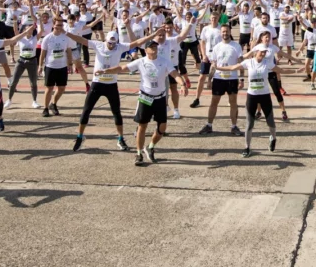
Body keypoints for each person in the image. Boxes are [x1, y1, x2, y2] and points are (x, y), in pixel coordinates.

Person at [96, 33, 184, 165]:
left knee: (162, 128)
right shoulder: (141, 61)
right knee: (142, 126)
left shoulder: (164, 61)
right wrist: (105, 71)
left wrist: (182, 84)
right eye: (151, 47)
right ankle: (138, 153)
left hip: (160, 98)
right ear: (146, 50)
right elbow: (122, 68)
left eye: (155, 46)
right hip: (145, 98)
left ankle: (151, 147)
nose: (154, 48)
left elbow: (174, 73)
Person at [70, 28, 161, 153]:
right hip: (97, 83)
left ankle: (120, 138)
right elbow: (81, 39)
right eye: (109, 43)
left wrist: (153, 34)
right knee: (86, 111)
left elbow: (137, 42)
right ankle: (80, 137)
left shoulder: (120, 47)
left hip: (111, 85)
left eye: (114, 43)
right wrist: (67, 33)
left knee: (116, 113)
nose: (111, 45)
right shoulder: (98, 45)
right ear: (106, 40)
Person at [213, 41, 281, 157]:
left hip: (265, 95)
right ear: (255, 52)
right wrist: (218, 68)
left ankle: (273, 138)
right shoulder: (248, 62)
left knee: (270, 122)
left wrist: (297, 71)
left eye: (265, 52)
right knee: (249, 124)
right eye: (261, 52)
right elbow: (233, 67)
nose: (263, 54)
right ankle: (247, 147)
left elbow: (281, 71)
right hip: (252, 96)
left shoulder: (268, 63)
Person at [198, 23, 244, 136]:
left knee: (233, 103)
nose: (225, 33)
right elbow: (213, 65)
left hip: (232, 79)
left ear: (230, 32)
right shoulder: (217, 47)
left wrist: (242, 79)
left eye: (227, 31)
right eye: (223, 31)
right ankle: (209, 125)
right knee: (214, 102)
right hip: (218, 78)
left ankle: (234, 126)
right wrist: (209, 79)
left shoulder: (236, 46)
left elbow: (241, 64)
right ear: (220, 33)